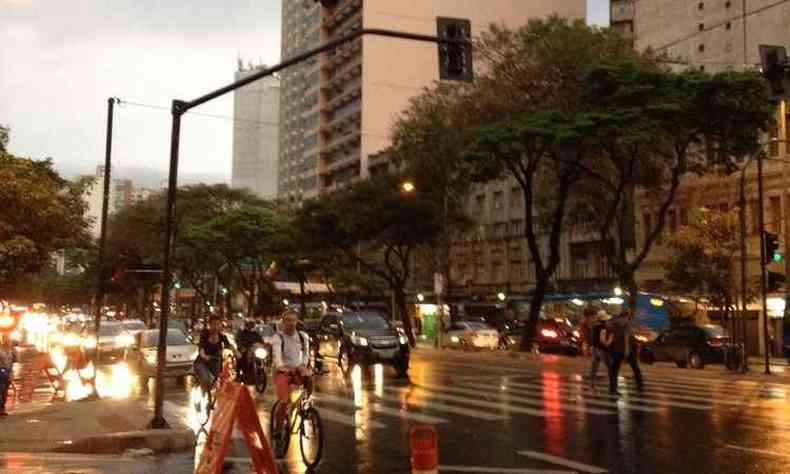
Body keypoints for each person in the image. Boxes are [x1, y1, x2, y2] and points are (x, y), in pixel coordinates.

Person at [271, 311, 311, 434]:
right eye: (287, 320)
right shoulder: (278, 337)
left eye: (293, 320)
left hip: (297, 368)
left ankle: (303, 405)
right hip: (282, 371)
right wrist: (281, 367)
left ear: (297, 321)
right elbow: (277, 357)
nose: (291, 323)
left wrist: (303, 365)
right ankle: (278, 432)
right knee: (283, 402)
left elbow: (306, 353)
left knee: (310, 378)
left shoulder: (302, 336)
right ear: (283, 322)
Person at [604, 308, 644, 396]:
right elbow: (627, 336)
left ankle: (612, 389)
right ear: (628, 314)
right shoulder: (627, 322)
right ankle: (640, 386)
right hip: (627, 349)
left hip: (616, 349)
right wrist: (626, 350)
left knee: (614, 370)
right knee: (635, 367)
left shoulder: (614, 322)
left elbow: (609, 331)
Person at [193, 316, 232, 391]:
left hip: (216, 361)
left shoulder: (222, 337)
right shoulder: (204, 335)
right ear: (209, 325)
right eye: (214, 324)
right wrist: (204, 355)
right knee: (205, 379)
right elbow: (201, 349)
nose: (216, 327)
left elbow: (229, 347)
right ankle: (202, 393)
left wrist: (234, 353)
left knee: (222, 378)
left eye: (218, 324)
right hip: (202, 362)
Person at [588, 310, 612, 391]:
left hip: (594, 349)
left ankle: (591, 385)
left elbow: (591, 338)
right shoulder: (603, 327)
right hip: (602, 350)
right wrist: (609, 341)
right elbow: (602, 339)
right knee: (610, 367)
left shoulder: (594, 326)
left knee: (594, 367)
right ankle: (611, 385)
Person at [236, 319, 263, 386]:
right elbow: (238, 341)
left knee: (260, 357)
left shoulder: (255, 333)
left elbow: (261, 341)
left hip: (254, 351)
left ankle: (260, 374)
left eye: (252, 324)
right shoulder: (242, 333)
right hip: (245, 350)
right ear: (247, 324)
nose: (251, 325)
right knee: (241, 359)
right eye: (250, 324)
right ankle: (239, 375)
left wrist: (264, 344)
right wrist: (242, 347)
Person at [0, 334, 16, 416]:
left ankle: (2, 408)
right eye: (7, 340)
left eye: (9, 340)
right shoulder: (0, 350)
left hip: (9, 373)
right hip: (1, 373)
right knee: (1, 390)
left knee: (5, 391)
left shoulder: (10, 350)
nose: (9, 342)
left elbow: (15, 360)